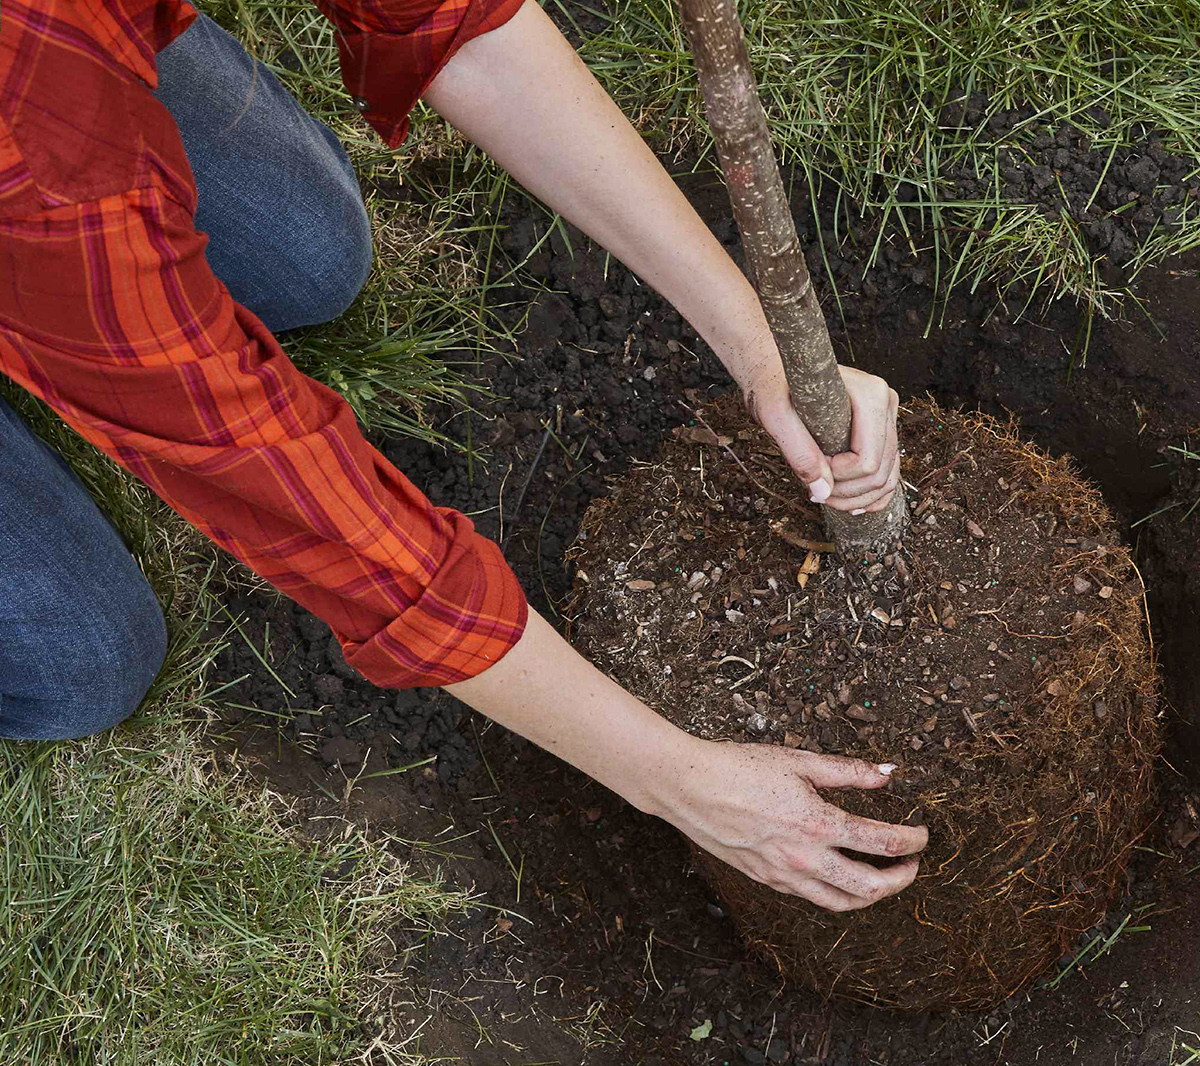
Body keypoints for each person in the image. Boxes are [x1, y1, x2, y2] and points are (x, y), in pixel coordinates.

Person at [0, 0, 926, 913]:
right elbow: (271, 477)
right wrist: (674, 776)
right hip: (28, 139)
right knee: (85, 661)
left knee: (308, 253)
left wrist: (763, 353)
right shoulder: (45, 159)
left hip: (70, 70)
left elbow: (460, 25)